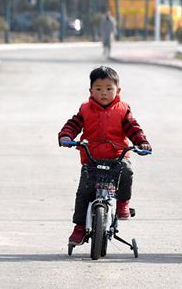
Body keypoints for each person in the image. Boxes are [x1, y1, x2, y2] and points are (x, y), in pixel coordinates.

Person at [58, 66, 152, 246]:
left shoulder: (123, 109)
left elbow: (134, 129)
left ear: (118, 90)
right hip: (91, 157)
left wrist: (142, 142)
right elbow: (73, 124)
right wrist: (66, 136)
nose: (104, 93)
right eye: (99, 89)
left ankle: (123, 202)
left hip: (117, 157)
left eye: (109, 89)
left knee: (127, 171)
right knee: (84, 192)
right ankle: (79, 227)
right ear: (91, 91)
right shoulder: (85, 109)